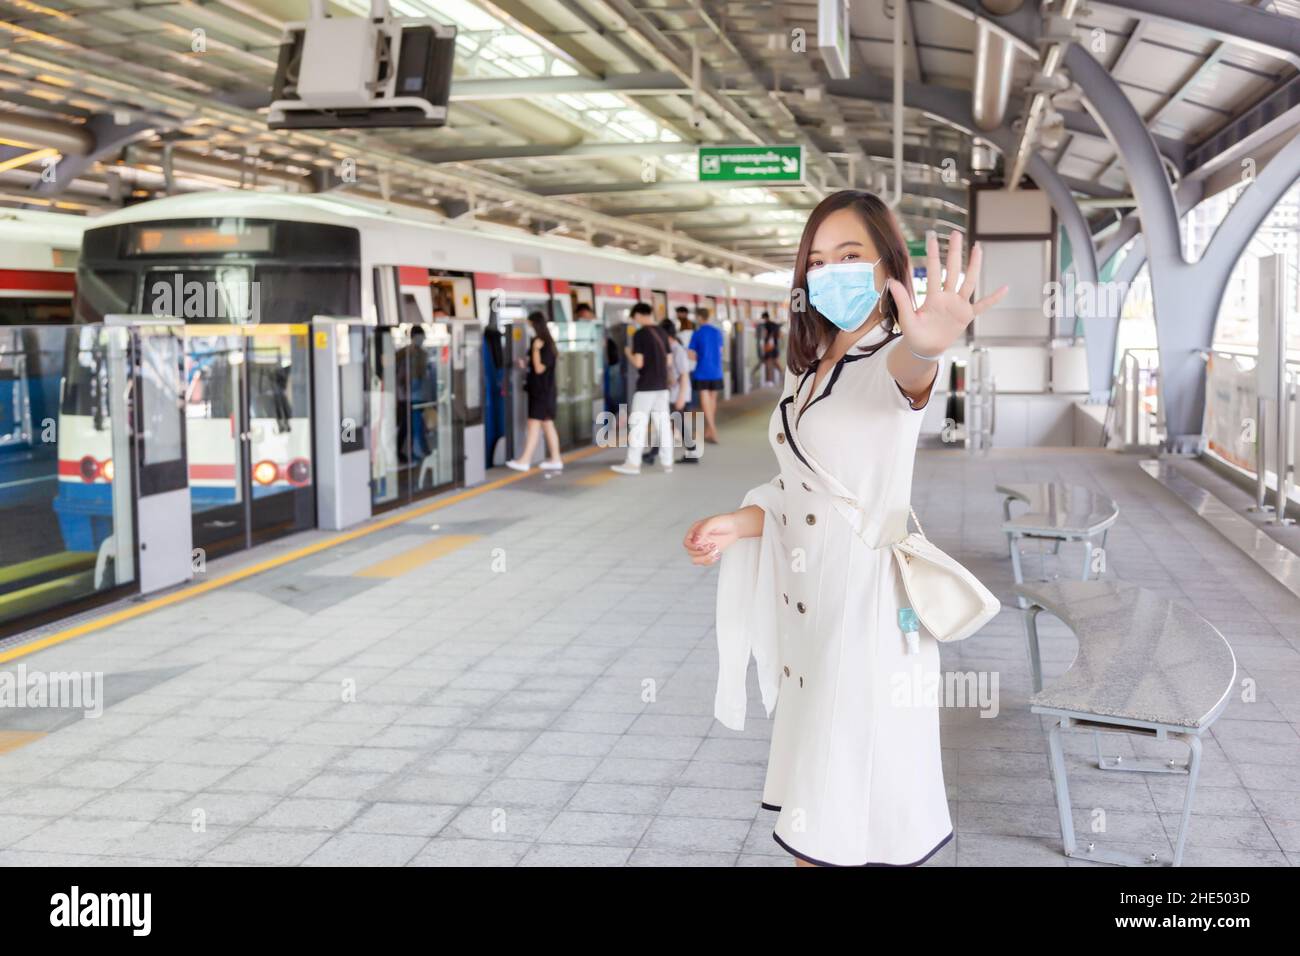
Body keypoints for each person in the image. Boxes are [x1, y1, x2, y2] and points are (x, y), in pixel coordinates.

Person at [682, 190, 1008, 867]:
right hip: (817, 625)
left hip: (866, 625)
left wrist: (926, 346)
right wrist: (734, 524)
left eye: (851, 256)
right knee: (832, 824)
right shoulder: (811, 371)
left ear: (888, 265)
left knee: (835, 831)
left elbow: (911, 379)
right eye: (818, 260)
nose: (831, 272)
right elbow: (796, 494)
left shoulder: (890, 359)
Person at [611, 302, 673, 476]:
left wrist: (627, 352)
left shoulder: (640, 334)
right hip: (662, 386)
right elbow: (669, 361)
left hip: (646, 386)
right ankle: (667, 463)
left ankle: (633, 463)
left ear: (638, 315)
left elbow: (639, 363)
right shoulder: (662, 332)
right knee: (663, 424)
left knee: (638, 423)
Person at [506, 311, 563, 472]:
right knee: (547, 425)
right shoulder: (543, 344)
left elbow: (539, 369)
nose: (528, 328)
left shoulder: (543, 346)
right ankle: (555, 459)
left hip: (541, 393)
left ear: (536, 325)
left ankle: (524, 461)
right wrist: (526, 363)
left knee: (534, 426)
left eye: (530, 325)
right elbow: (534, 366)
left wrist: (536, 351)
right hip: (542, 392)